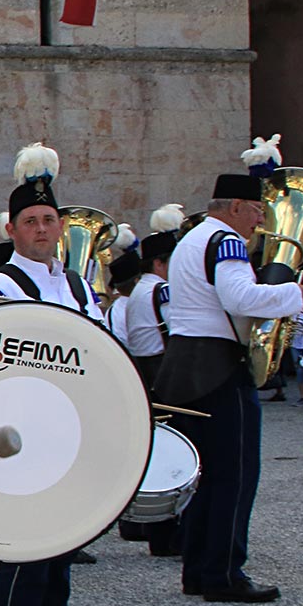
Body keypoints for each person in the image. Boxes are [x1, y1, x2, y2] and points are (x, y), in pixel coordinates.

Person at [153, 135, 303, 603]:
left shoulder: (192, 238)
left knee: (207, 473)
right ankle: (223, 572)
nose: (261, 222)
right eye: (256, 212)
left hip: (187, 362)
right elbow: (240, 298)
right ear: (236, 209)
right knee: (236, 472)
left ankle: (199, 567)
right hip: (216, 366)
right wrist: (296, 295)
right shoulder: (226, 240)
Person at [0, 144, 110, 606]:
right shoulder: (0, 286)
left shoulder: (74, 284)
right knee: (25, 544)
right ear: (12, 228)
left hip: (68, 424)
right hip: (22, 426)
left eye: (50, 220)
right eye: (31, 221)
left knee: (62, 538)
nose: (42, 228)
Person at [119, 206, 183, 553]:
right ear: (161, 262)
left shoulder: (138, 291)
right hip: (162, 365)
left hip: (143, 367)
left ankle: (139, 523)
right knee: (171, 451)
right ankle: (165, 532)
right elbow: (174, 328)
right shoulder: (161, 290)